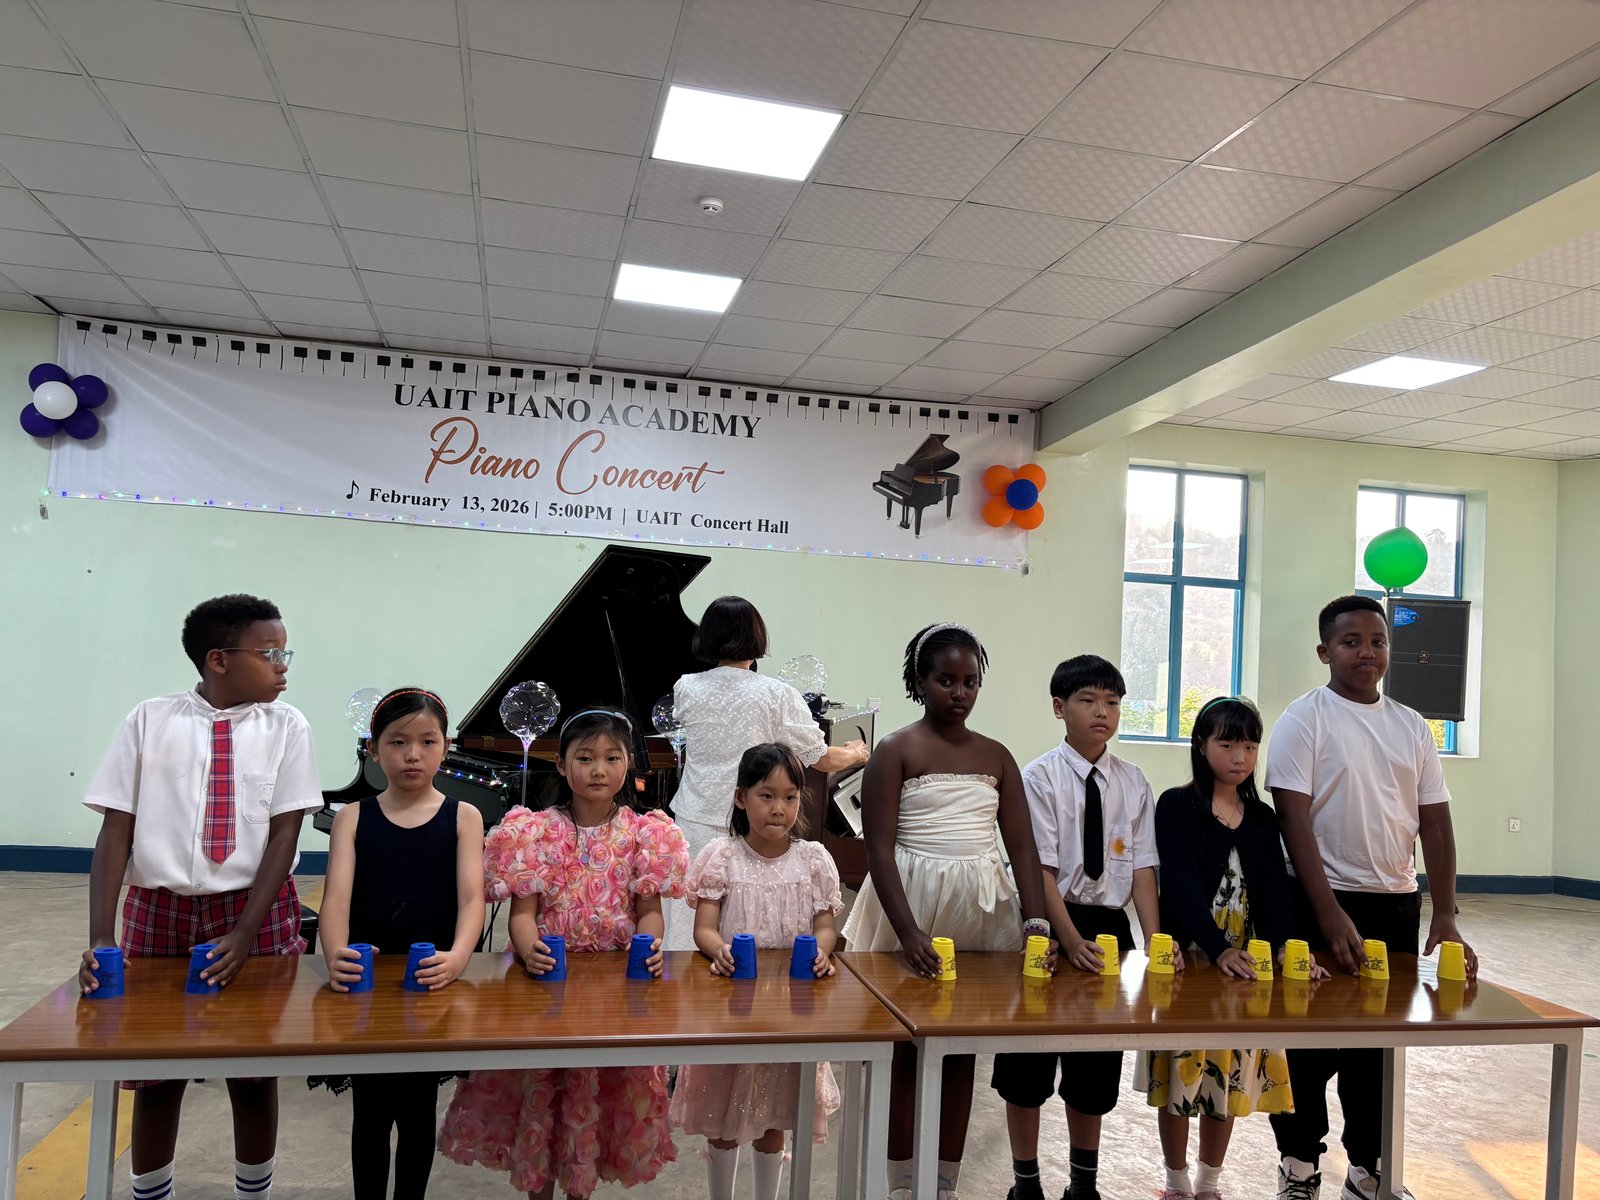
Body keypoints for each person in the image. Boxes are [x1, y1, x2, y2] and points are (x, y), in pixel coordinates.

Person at [77, 594, 323, 1200]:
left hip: (256, 910)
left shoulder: (287, 725)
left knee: (254, 1066)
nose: (283, 664)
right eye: (270, 653)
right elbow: (115, 830)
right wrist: (100, 936)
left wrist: (243, 933)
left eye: (283, 651)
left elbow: (285, 833)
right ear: (218, 659)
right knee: (155, 1069)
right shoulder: (149, 720)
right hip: (158, 911)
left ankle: (253, 1192)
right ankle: (151, 1191)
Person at [1266, 595, 1477, 1200]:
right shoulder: (1304, 719)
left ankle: (1367, 1168)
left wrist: (1446, 913)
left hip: (1393, 902)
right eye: (1352, 641)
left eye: (1378, 641)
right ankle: (1299, 1163)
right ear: (1325, 651)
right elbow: (1293, 820)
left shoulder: (1411, 726)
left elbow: (1434, 823)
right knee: (1308, 1043)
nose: (1367, 652)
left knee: (1376, 1046)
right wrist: (1328, 912)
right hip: (1318, 899)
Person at [438, 708, 690, 1199]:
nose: (599, 769)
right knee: (544, 1095)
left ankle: (580, 1190)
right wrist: (530, 949)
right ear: (560, 764)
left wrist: (651, 943)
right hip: (548, 989)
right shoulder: (534, 831)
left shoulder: (645, 834)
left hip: (615, 994)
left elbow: (650, 912)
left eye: (612, 757)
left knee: (594, 1102)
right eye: (586, 757)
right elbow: (522, 915)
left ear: (629, 764)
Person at [842, 622, 1052, 1200]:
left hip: (979, 912)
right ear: (919, 682)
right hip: (907, 907)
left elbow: (1024, 848)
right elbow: (877, 848)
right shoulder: (896, 750)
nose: (959, 692)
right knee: (904, 1052)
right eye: (945, 680)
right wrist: (907, 931)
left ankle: (944, 1184)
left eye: (970, 682)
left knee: (961, 1052)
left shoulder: (997, 755)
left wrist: (1036, 923)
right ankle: (900, 1185)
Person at [993, 654, 1169, 1200]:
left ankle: (1083, 1185)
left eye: (1112, 703)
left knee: (1094, 1065)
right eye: (1088, 701)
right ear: (1059, 707)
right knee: (1028, 1066)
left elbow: (1141, 870)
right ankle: (1025, 1183)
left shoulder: (1133, 782)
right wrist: (1066, 939)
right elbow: (1038, 869)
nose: (1102, 713)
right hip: (1048, 923)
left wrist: (1156, 942)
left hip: (1109, 928)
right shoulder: (1038, 777)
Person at [1140, 696, 1327, 1200]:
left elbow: (1274, 892)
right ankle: (1175, 1183)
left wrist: (1290, 945)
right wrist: (1217, 947)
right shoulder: (1176, 805)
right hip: (1192, 956)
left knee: (1229, 1072)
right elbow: (1177, 886)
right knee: (1181, 1075)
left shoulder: (1263, 818)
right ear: (1202, 746)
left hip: (1245, 962)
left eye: (1249, 745)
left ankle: (1208, 1185)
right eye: (1227, 743)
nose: (1240, 756)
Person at [312, 687, 486, 1200]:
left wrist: (457, 957)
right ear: (374, 749)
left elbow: (473, 898)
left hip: (431, 980)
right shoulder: (353, 817)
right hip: (366, 986)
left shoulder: (464, 817)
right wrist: (336, 954)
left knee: (416, 1110)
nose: (413, 754)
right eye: (397, 742)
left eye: (427, 741)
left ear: (445, 747)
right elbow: (337, 899)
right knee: (369, 1110)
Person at [670, 742, 844, 1200]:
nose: (779, 808)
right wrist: (719, 950)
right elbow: (704, 928)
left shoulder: (812, 860)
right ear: (739, 797)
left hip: (791, 1013)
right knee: (723, 1116)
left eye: (790, 797)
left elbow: (825, 927)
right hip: (731, 1009)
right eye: (766, 795)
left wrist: (822, 953)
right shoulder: (722, 857)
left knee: (776, 1115)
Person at [664, 595, 868, 950]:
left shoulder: (685, 687)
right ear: (757, 638)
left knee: (689, 922)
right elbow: (820, 758)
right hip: (752, 825)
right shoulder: (777, 694)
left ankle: (684, 996)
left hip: (694, 820)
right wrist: (855, 752)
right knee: (748, 919)